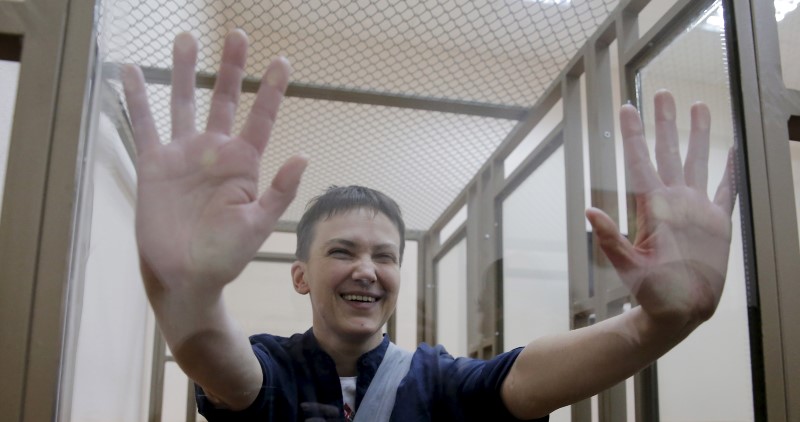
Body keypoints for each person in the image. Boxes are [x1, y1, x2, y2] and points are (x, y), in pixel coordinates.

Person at [122, 30, 736, 421]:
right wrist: (189, 296)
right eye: (343, 251)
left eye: (385, 256)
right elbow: (216, 360)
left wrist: (656, 324)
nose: (367, 269)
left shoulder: (437, 380)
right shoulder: (271, 367)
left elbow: (529, 378)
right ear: (301, 275)